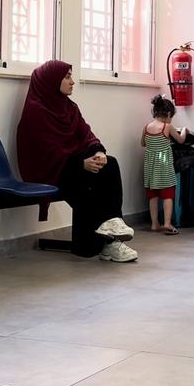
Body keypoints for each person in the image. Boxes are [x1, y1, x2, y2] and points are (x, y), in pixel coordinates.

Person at [16, 60, 138, 262]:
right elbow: (45, 152)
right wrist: (79, 164)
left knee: (109, 163)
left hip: (69, 165)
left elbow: (86, 133)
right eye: (67, 76)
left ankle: (112, 229)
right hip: (49, 171)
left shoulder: (70, 107)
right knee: (88, 180)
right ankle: (111, 241)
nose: (72, 82)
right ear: (51, 81)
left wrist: (98, 151)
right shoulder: (35, 110)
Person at [143, 95, 189, 235]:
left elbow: (143, 143)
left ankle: (154, 223)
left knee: (153, 197)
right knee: (168, 196)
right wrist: (185, 130)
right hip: (164, 169)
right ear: (169, 114)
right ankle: (167, 223)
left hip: (150, 169)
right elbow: (180, 140)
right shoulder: (167, 127)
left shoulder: (147, 127)